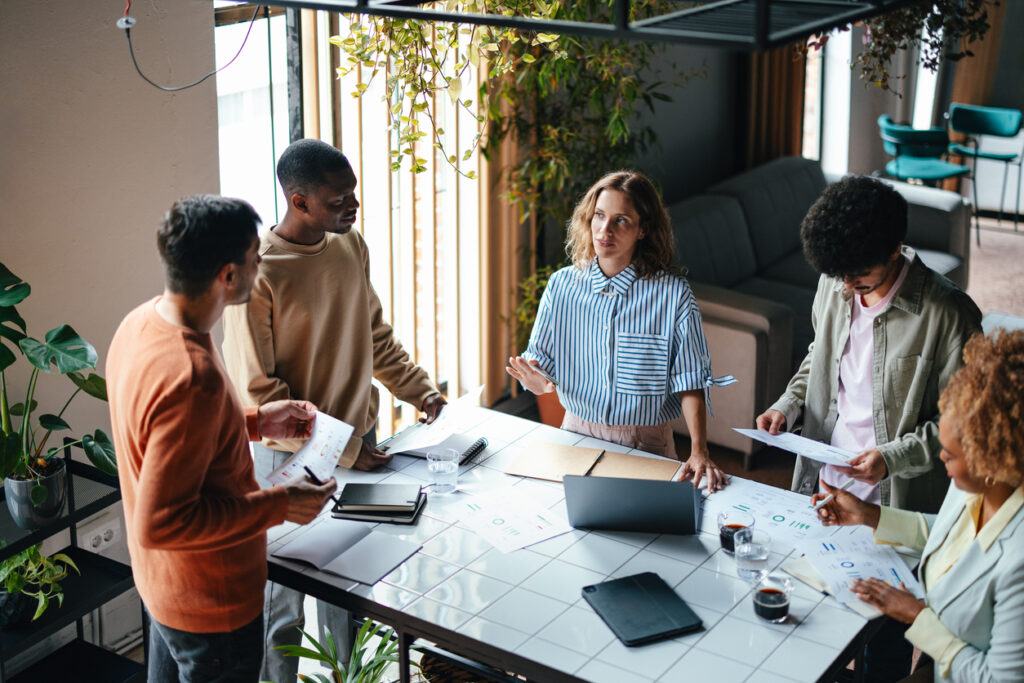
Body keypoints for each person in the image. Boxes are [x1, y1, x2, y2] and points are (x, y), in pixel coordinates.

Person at [222, 139, 445, 682]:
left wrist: (421, 392)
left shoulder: (350, 246)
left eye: (354, 195)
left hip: (360, 441)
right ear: (299, 202)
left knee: (348, 590)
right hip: (288, 458)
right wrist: (343, 447)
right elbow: (259, 392)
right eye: (340, 199)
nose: (354, 207)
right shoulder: (260, 274)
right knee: (285, 604)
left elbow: (372, 335)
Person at [754, 175, 982, 681]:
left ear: (895, 250)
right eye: (840, 278)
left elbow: (962, 425)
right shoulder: (835, 283)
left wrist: (891, 456)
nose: (847, 288)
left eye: (862, 278)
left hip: (897, 502)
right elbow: (821, 355)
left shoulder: (949, 315)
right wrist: (787, 405)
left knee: (884, 642)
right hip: (824, 484)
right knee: (813, 626)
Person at [106, 195, 337, 682]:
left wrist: (254, 422)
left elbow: (165, 432)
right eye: (256, 257)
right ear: (228, 275)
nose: (261, 264)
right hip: (211, 603)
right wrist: (280, 505)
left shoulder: (140, 324)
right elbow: (162, 522)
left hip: (162, 585)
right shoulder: (194, 374)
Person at [813, 330, 1024, 683]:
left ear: (992, 464)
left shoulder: (1019, 561)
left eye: (951, 455)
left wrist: (917, 616)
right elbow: (948, 534)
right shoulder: (978, 488)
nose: (941, 458)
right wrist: (869, 516)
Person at [507, 170, 730, 490]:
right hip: (575, 433)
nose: (604, 230)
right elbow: (542, 368)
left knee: (647, 532)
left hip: (646, 441)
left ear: (643, 229)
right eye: (599, 216)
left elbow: (691, 380)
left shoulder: (673, 295)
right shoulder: (561, 286)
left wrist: (699, 450)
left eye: (621, 220)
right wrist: (537, 381)